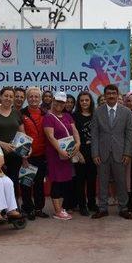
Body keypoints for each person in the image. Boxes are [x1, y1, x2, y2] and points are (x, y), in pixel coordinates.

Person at [90, 84, 132, 220]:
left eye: (113, 93)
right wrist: (95, 153)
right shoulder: (98, 111)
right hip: (102, 153)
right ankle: (102, 208)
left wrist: (127, 153)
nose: (111, 95)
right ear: (104, 95)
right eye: (108, 93)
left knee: (121, 182)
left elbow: (129, 134)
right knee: (102, 182)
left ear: (117, 95)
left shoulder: (126, 112)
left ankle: (123, 208)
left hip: (120, 153)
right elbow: (95, 134)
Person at [42, 91, 81, 220]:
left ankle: (61, 208)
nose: (60, 104)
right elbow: (50, 136)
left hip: (67, 155)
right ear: (53, 100)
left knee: (65, 181)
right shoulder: (48, 117)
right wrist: (60, 150)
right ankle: (58, 211)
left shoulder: (67, 116)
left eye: (62, 102)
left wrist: (78, 143)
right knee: (57, 182)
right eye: (57, 101)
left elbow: (74, 131)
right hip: (55, 155)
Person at [0, 86, 26, 191]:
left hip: (15, 154)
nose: (8, 98)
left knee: (13, 182)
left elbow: (23, 133)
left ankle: (13, 206)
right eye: (6, 96)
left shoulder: (17, 113)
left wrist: (27, 148)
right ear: (0, 97)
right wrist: (2, 144)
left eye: (11, 96)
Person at [20, 87, 49, 219]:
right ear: (27, 98)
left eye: (36, 96)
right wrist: (24, 157)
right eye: (31, 96)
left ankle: (38, 209)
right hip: (27, 156)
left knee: (39, 184)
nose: (34, 99)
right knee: (26, 183)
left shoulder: (45, 113)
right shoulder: (22, 113)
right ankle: (28, 209)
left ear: (40, 98)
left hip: (42, 155)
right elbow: (21, 135)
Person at [73, 91, 98, 216]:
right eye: (82, 100)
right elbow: (72, 136)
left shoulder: (96, 115)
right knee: (80, 181)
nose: (84, 102)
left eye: (86, 100)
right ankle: (82, 205)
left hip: (93, 152)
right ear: (79, 102)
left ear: (90, 101)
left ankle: (92, 203)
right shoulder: (74, 116)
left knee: (92, 180)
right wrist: (78, 153)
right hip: (80, 153)